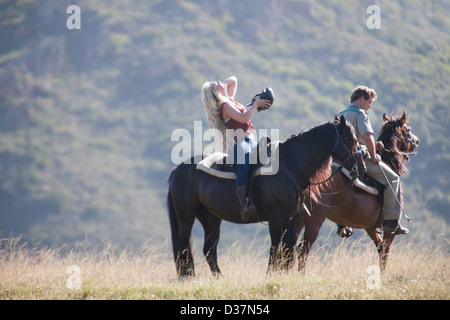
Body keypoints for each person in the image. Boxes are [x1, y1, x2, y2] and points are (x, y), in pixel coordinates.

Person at [337, 85, 409, 235]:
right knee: (394, 179)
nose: (370, 107)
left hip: (339, 160)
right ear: (361, 99)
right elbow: (368, 136)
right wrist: (374, 155)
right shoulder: (360, 114)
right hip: (357, 159)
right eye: (369, 103)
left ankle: (341, 223)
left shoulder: (340, 114)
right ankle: (391, 222)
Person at [202, 76, 271, 221]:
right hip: (240, 142)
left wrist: (220, 87)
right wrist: (256, 105)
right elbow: (245, 117)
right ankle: (244, 204)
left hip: (251, 139)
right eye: (216, 83)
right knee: (245, 163)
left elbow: (233, 79)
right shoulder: (224, 106)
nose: (220, 81)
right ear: (215, 93)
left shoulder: (229, 99)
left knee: (270, 156)